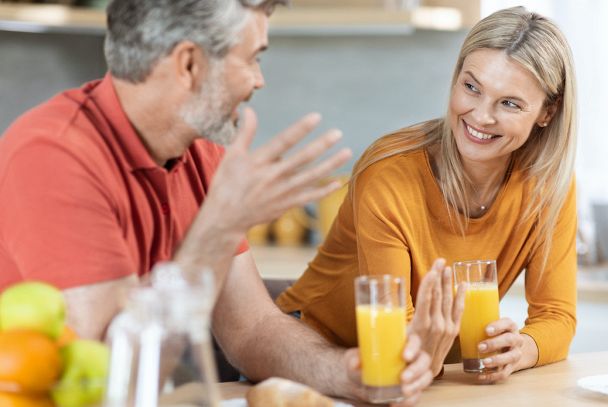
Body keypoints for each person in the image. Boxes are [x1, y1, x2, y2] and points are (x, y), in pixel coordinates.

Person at [0, 0, 438, 403]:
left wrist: (341, 373)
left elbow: (252, 330)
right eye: (253, 58)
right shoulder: (53, 155)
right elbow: (115, 378)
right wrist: (219, 228)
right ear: (189, 64)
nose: (259, 80)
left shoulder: (201, 154)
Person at [277, 5, 578, 383]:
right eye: (471, 87)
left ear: (547, 112)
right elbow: (396, 343)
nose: (481, 116)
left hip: (422, 377)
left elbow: (556, 316)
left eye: (510, 103)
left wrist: (524, 348)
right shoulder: (391, 173)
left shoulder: (548, 187)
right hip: (311, 355)